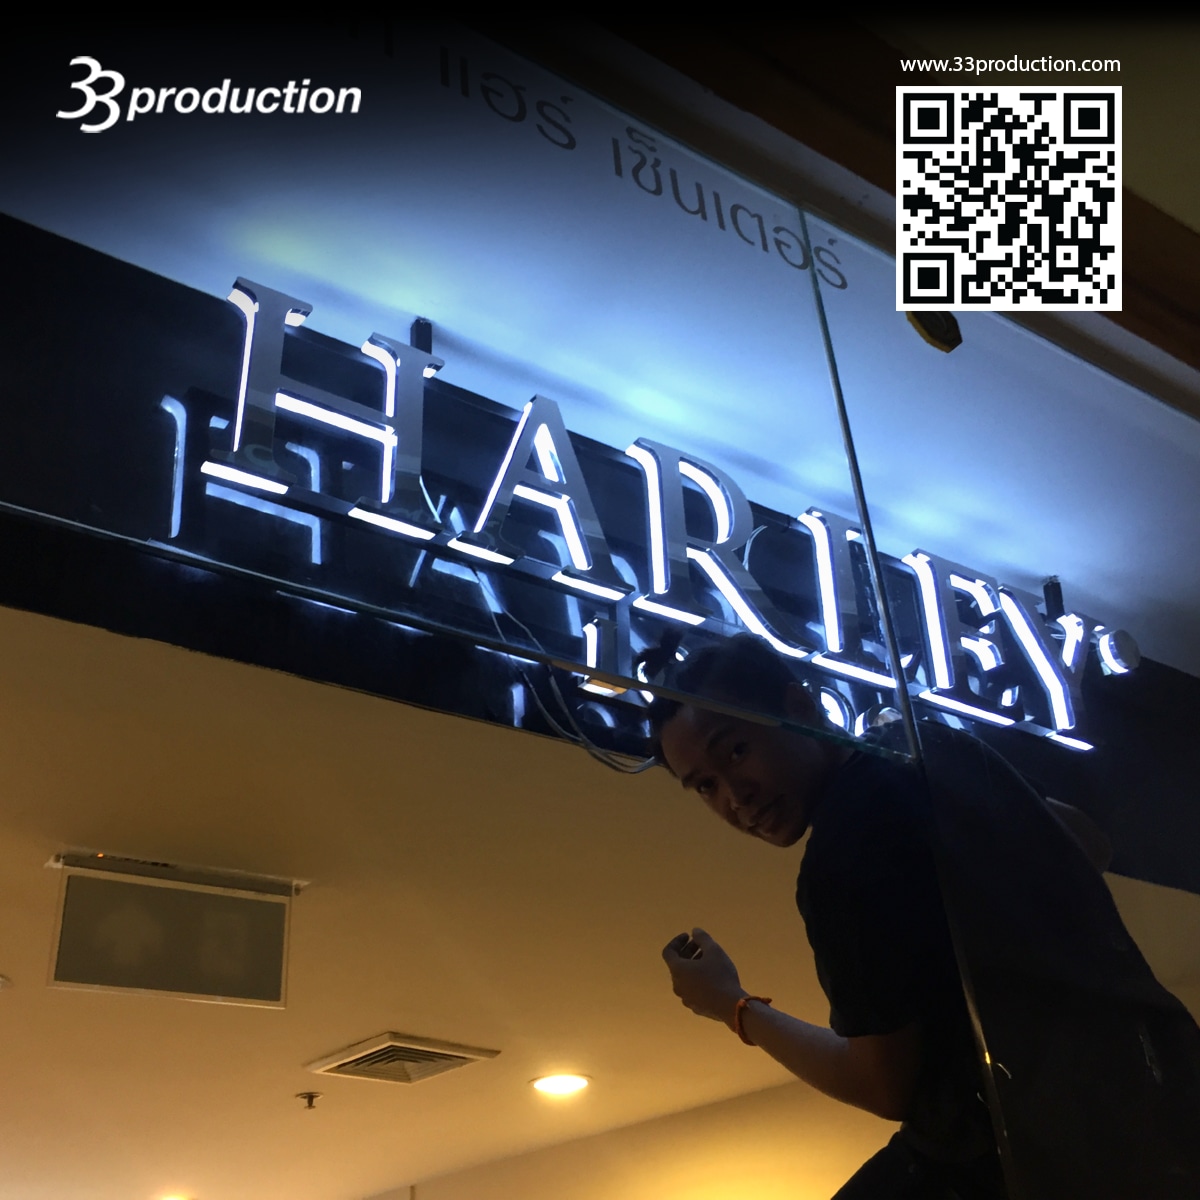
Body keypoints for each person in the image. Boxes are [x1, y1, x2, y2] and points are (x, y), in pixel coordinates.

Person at [648, 633, 1200, 1199]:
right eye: (705, 786)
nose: (734, 796)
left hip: (1018, 1156)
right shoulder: (926, 746)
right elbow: (1087, 842)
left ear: (800, 706)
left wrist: (732, 1004)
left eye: (736, 750)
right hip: (1161, 1101)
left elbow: (883, 1086)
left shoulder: (844, 853)